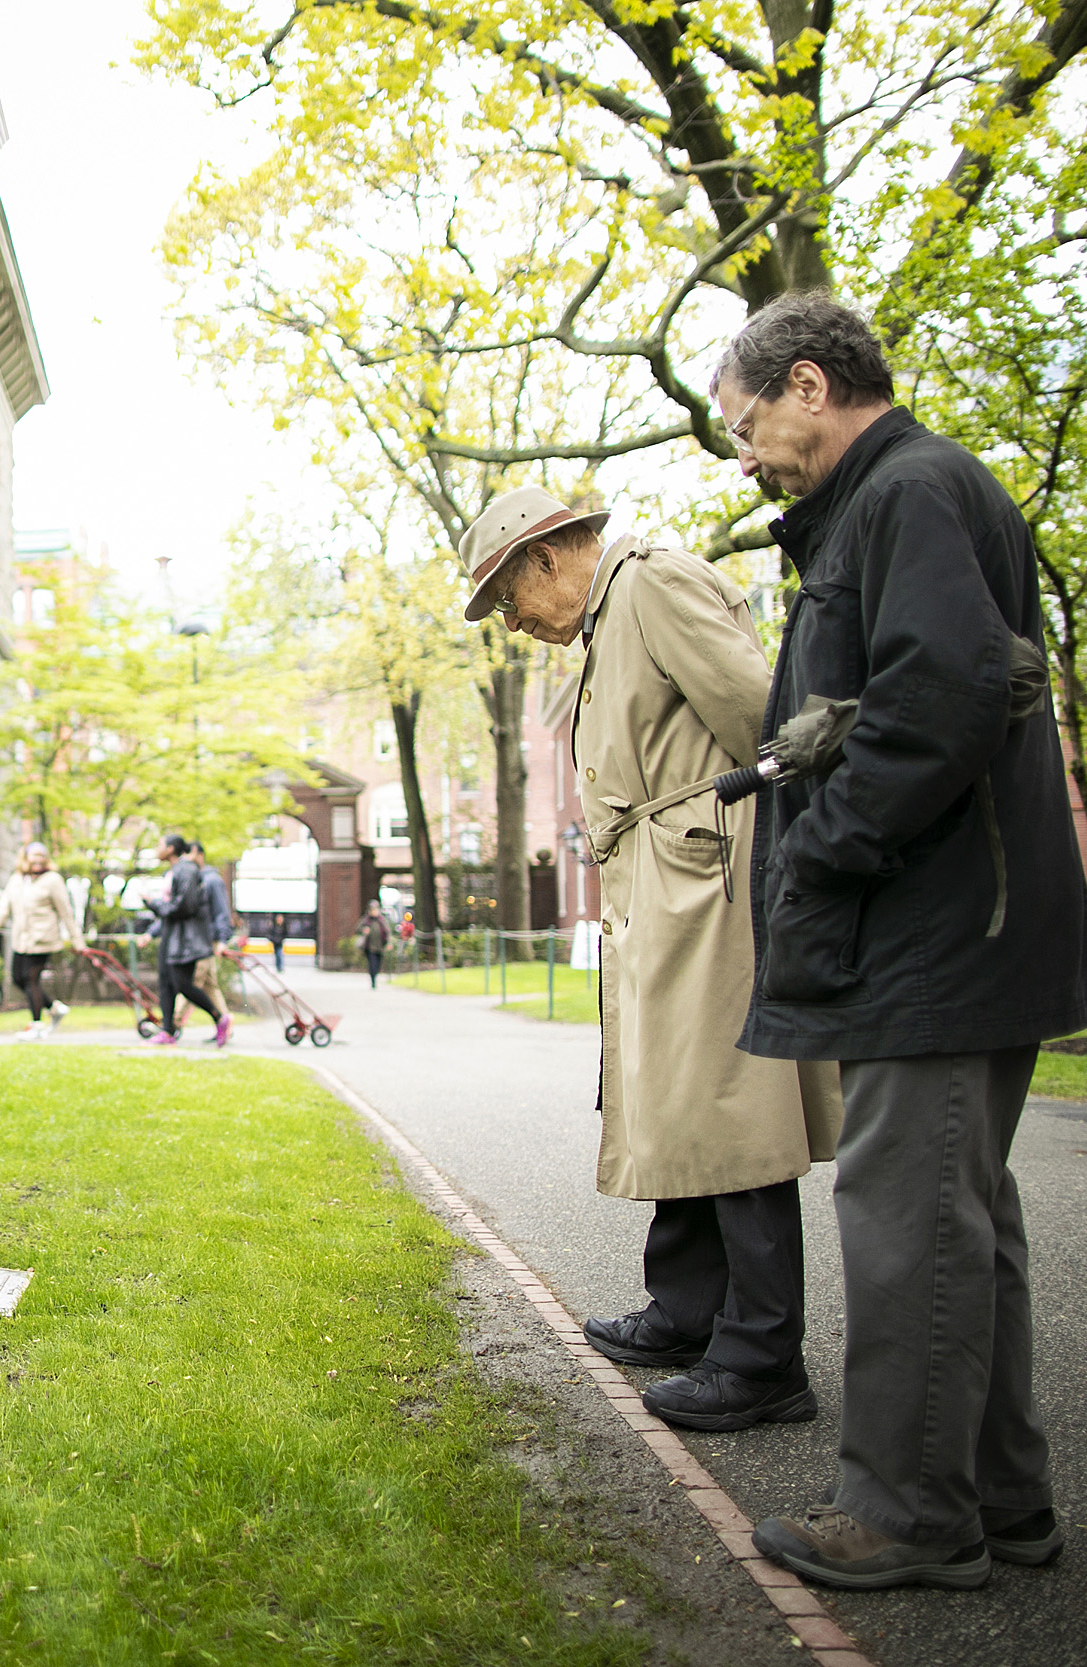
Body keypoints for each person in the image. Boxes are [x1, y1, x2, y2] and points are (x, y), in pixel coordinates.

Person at [711, 295, 1087, 1590]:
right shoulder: (907, 495)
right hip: (961, 929)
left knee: (909, 1222)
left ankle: (907, 1514)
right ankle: (1004, 1499)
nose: (743, 450)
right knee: (961, 1222)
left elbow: (939, 695)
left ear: (811, 385)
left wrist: (820, 842)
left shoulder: (907, 492)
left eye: (748, 420)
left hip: (940, 937)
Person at [459, 482, 840, 1435]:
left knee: (728, 1105)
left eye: (509, 598)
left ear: (548, 555)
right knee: (675, 1096)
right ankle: (687, 1310)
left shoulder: (653, 583)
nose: (513, 622)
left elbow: (769, 718)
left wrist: (718, 840)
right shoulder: (610, 616)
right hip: (665, 885)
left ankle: (761, 1357)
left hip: (704, 879)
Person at [0, 841, 81, 1040]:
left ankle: (36, 1026)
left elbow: (66, 912)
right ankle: (53, 1007)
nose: (38, 859)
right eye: (34, 855)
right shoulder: (17, 880)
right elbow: (3, 908)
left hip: (43, 939)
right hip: (21, 940)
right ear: (25, 857)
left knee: (31, 979)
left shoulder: (52, 880)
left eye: (42, 855)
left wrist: (77, 941)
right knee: (18, 979)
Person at [146, 833, 230, 1048]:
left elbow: (185, 905)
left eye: (160, 844)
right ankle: (167, 1031)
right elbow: (173, 907)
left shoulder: (186, 870)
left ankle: (219, 1018)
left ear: (171, 849)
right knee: (165, 983)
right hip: (172, 935)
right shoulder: (177, 870)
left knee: (182, 985)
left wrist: (155, 904)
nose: (157, 848)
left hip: (185, 940)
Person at [189, 839, 237, 1012]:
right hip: (202, 940)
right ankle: (225, 1020)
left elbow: (222, 911)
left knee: (191, 983)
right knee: (209, 984)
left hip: (209, 941)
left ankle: (172, 1024)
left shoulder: (212, 881)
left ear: (200, 855)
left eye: (191, 853)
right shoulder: (196, 879)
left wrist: (223, 939)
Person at [355, 903, 389, 988]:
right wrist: (364, 930)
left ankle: (375, 976)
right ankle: (373, 980)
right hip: (369, 946)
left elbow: (387, 932)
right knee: (372, 964)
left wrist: (388, 943)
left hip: (380, 946)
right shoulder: (366, 920)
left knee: (378, 964)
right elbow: (357, 928)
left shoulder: (381, 920)